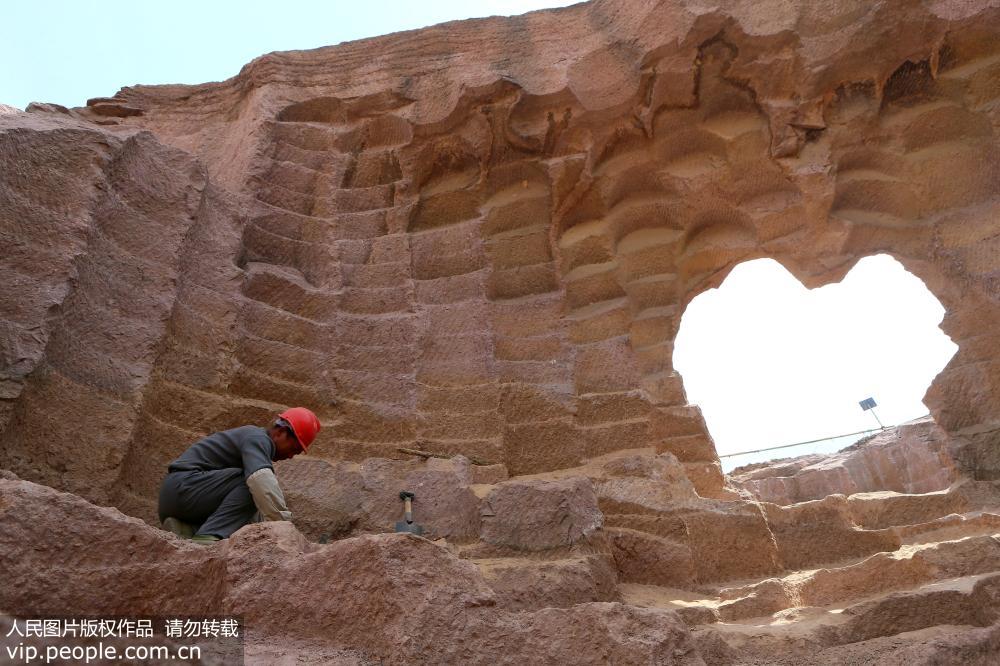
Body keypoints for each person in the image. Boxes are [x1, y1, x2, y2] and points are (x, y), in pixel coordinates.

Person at [157, 407, 321, 543]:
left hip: (176, 499)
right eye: (293, 449)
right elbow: (260, 482)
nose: (291, 456)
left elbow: (249, 508)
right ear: (281, 432)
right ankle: (207, 538)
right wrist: (285, 527)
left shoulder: (253, 442)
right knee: (253, 485)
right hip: (183, 487)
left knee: (253, 501)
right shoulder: (258, 438)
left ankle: (186, 529)